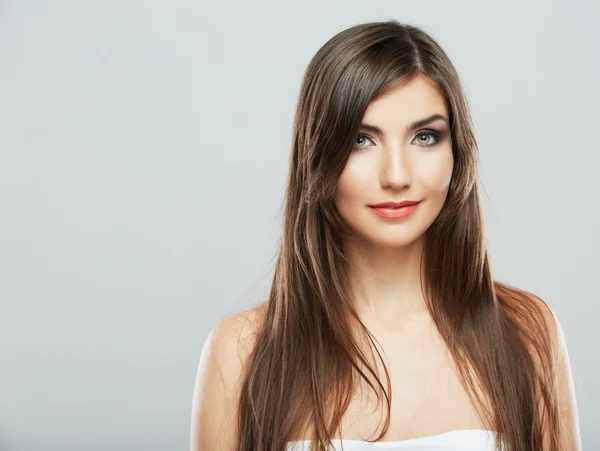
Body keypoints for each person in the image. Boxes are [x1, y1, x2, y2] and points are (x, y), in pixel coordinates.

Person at [190, 19, 581, 451]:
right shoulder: (241, 354)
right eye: (361, 140)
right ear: (317, 154)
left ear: (458, 152)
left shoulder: (527, 334)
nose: (396, 176)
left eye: (425, 136)